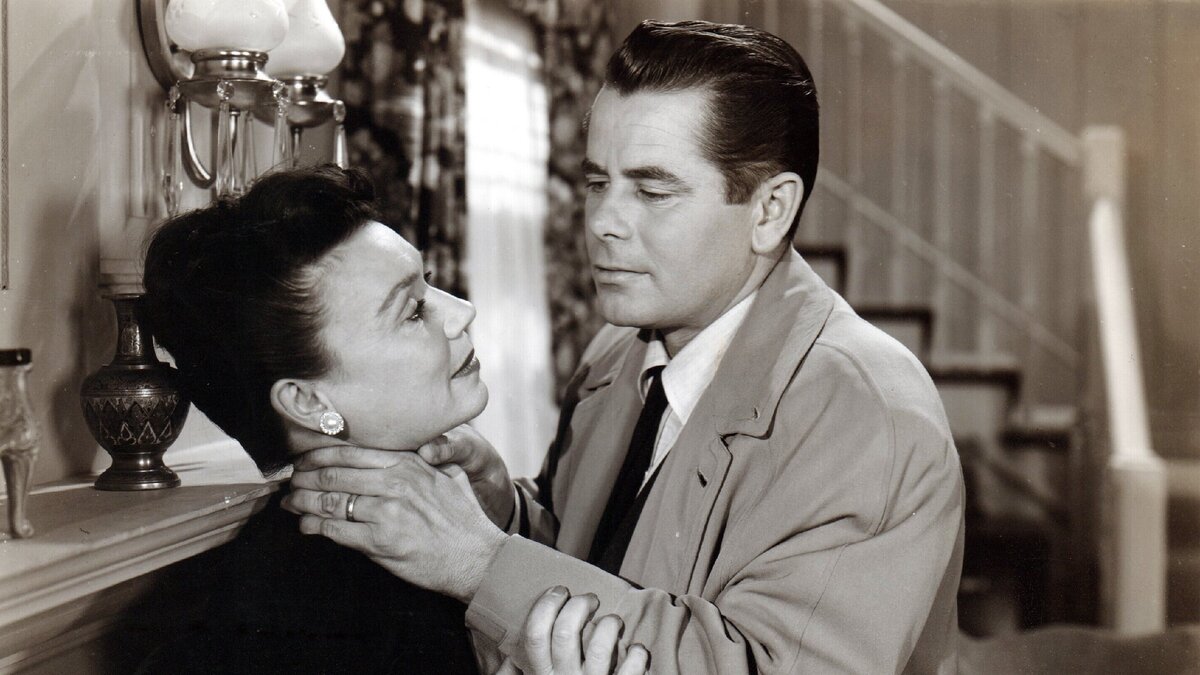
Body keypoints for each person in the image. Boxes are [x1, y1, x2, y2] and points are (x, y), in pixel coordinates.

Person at [287, 20, 965, 674]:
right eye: (596, 183)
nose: (603, 223)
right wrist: (505, 511)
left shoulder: (867, 414)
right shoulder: (620, 352)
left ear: (770, 210)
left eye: (652, 190)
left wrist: (481, 560)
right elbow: (608, 564)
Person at [135, 165, 645, 675]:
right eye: (413, 311)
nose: (462, 312)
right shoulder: (319, 609)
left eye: (430, 285)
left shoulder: (412, 546)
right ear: (308, 402)